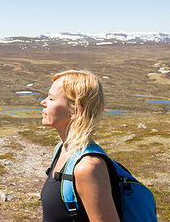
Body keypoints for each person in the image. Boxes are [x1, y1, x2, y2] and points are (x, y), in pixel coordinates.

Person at [40, 70, 120, 222]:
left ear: (75, 110)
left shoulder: (88, 167)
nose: (43, 102)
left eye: (51, 98)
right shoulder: (61, 150)